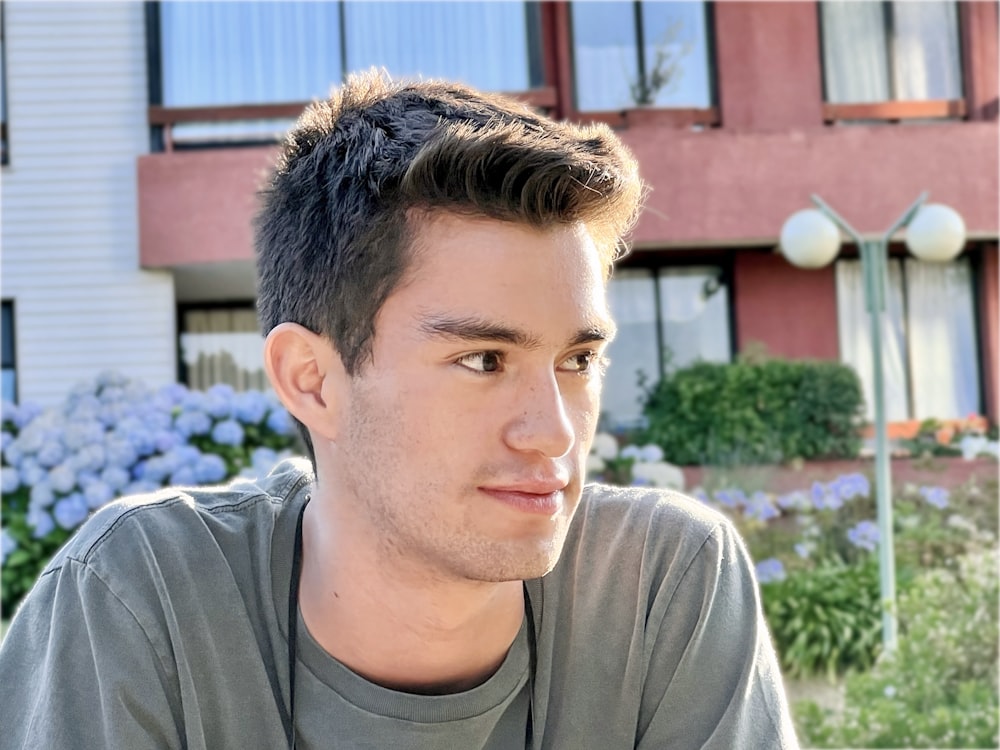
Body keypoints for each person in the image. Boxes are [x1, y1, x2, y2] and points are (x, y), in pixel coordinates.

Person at [0, 71, 798, 749]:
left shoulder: (658, 591)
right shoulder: (141, 601)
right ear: (312, 381)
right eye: (483, 361)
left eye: (578, 360)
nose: (555, 431)